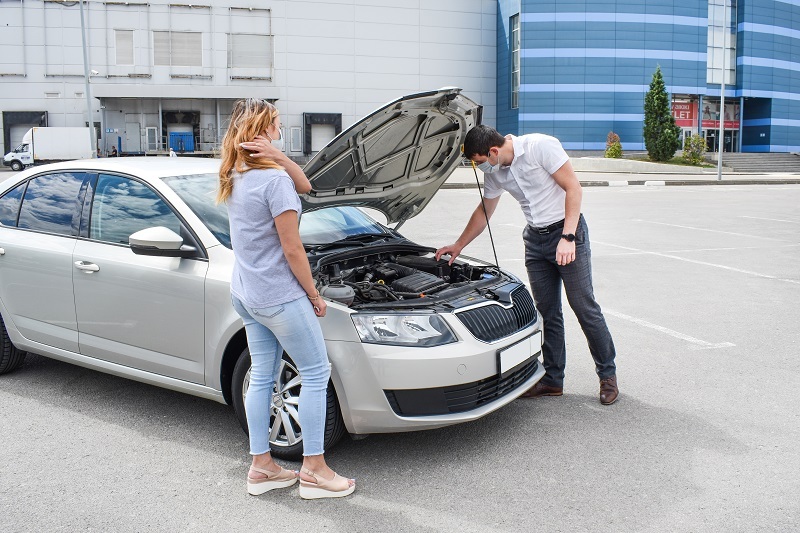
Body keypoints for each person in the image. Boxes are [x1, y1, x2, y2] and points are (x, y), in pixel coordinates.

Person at [218, 98, 355, 499]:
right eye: (276, 124)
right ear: (263, 129)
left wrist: (276, 156)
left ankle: (261, 467)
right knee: (315, 373)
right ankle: (314, 470)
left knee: (262, 375)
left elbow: (306, 185)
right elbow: (293, 249)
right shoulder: (274, 180)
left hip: (246, 291)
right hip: (279, 296)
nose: (281, 128)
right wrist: (313, 294)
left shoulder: (234, 172)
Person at [435, 125, 619, 405]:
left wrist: (568, 237)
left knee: (584, 306)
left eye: (480, 161)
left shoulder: (540, 147)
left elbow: (573, 188)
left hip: (567, 233)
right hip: (536, 240)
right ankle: (553, 380)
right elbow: (485, 210)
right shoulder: (496, 172)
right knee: (547, 311)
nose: (480, 167)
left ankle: (608, 375)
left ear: (493, 151)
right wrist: (459, 245)